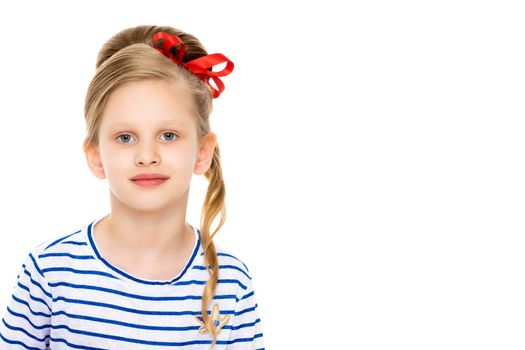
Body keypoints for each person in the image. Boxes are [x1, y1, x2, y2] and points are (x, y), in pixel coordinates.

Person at [0, 24, 265, 349]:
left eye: (168, 135)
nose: (147, 156)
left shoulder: (230, 283)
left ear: (202, 152)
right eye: (125, 137)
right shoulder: (50, 275)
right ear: (96, 156)